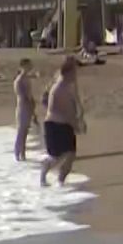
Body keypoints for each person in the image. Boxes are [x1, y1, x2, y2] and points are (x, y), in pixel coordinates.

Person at [40, 56, 84, 187]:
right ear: (68, 73)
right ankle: (44, 175)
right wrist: (76, 125)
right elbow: (67, 112)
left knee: (70, 154)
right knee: (56, 156)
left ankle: (60, 181)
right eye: (74, 72)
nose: (76, 75)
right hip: (55, 125)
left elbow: (74, 106)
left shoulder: (67, 86)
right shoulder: (60, 88)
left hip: (64, 123)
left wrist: (79, 119)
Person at [13, 58, 37, 161]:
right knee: (21, 131)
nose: (30, 67)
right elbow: (24, 95)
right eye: (28, 65)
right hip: (23, 107)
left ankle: (22, 153)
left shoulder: (26, 79)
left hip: (27, 107)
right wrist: (31, 102)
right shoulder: (19, 80)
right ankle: (17, 153)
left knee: (25, 131)